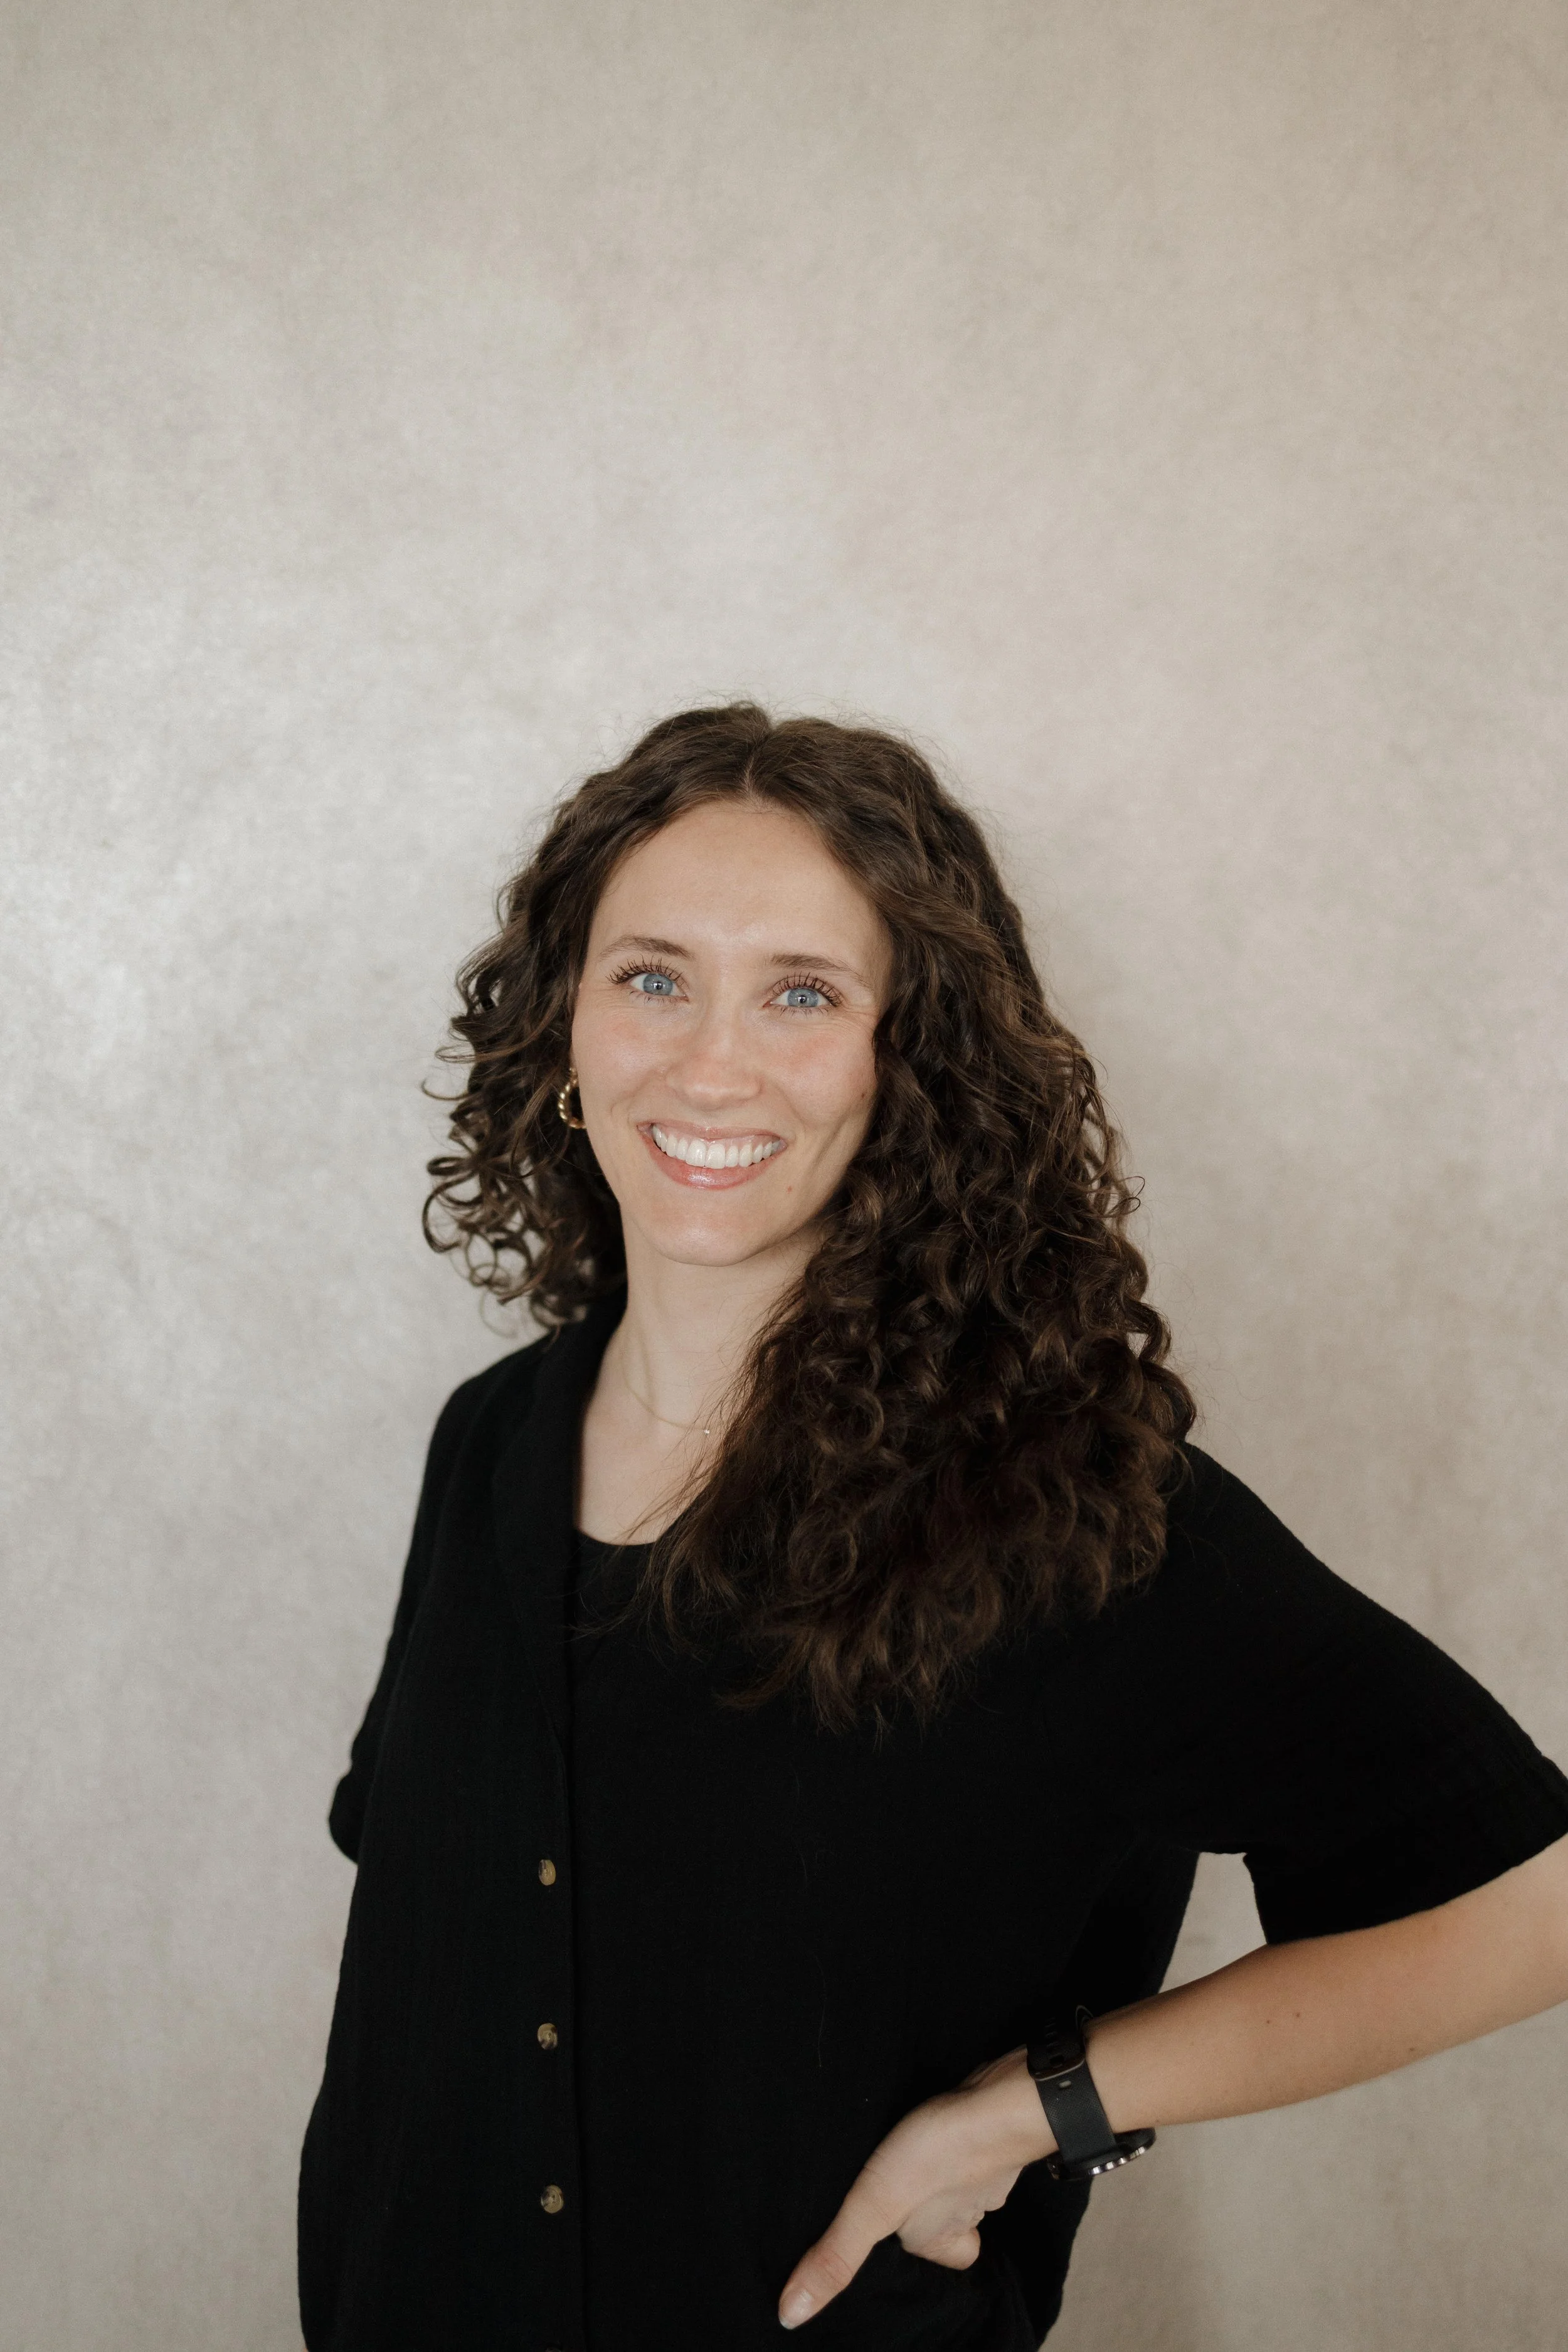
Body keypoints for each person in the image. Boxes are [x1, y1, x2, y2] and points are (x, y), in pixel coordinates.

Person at [298, 704, 1568, 2352]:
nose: (707, 1061)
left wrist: (1029, 2110)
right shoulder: (490, 1443)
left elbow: (1525, 1905)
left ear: (912, 1065)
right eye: (653, 974)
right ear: (564, 1024)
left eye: (802, 994)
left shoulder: (1063, 1508)